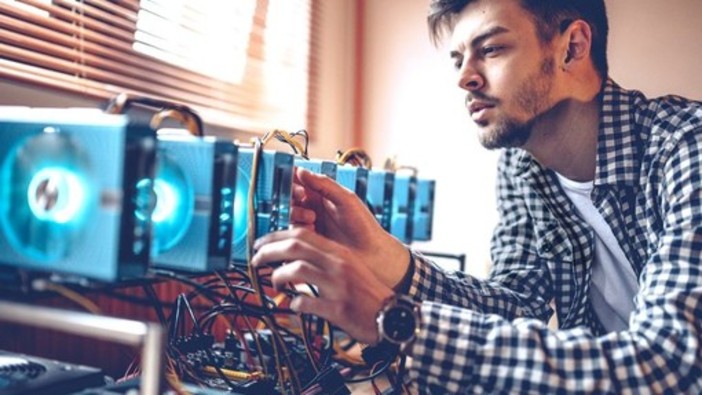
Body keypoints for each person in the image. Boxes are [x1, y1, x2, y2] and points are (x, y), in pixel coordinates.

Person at [251, 0, 702, 392]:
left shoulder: (687, 147)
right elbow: (514, 306)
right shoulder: (522, 165)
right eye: (458, 59)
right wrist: (385, 257)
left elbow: (670, 367)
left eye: (490, 49)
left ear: (573, 47)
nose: (465, 78)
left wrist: (396, 319)